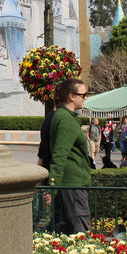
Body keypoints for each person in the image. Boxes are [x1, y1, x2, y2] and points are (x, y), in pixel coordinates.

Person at [47, 78, 92, 235]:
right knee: (81, 232)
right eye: (83, 94)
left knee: (67, 230)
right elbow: (60, 155)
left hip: (70, 183)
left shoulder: (64, 116)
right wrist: (53, 187)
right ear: (72, 96)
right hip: (72, 184)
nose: (85, 98)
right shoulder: (66, 119)